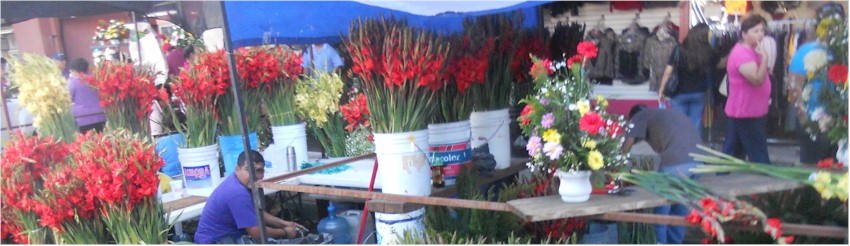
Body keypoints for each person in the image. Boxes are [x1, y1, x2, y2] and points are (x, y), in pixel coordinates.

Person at [621, 105, 705, 244]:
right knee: (679, 210)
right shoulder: (665, 115)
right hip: (698, 163)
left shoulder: (639, 116)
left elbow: (626, 147)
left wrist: (616, 167)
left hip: (676, 165)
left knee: (660, 214)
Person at [194, 150, 306, 244]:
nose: (255, 176)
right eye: (249, 170)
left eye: (259, 171)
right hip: (215, 242)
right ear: (237, 169)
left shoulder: (238, 182)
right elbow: (256, 232)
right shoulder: (237, 193)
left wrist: (285, 224)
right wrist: (285, 232)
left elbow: (255, 212)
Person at [787, 3, 844, 165]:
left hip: (839, 123)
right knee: (813, 170)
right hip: (814, 121)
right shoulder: (806, 51)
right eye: (829, 24)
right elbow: (794, 86)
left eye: (838, 24)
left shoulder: (841, 50)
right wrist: (805, 120)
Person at [722, 14, 771, 164]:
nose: (760, 34)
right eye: (755, 31)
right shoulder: (742, 53)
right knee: (758, 151)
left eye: (762, 30)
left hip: (751, 108)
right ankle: (764, 173)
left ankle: (723, 173)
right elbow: (757, 80)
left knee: (733, 150)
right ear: (744, 34)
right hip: (746, 109)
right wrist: (765, 58)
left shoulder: (753, 50)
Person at [659, 23, 719, 137]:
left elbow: (668, 72)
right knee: (695, 123)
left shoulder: (679, 50)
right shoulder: (708, 52)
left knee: (679, 124)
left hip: (679, 93)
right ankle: (694, 146)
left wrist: (661, 90)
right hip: (699, 92)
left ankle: (681, 146)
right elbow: (717, 65)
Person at [67, 58, 106, 133]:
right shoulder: (95, 79)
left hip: (82, 118)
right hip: (100, 115)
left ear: (74, 70)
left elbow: (68, 97)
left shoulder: (72, 82)